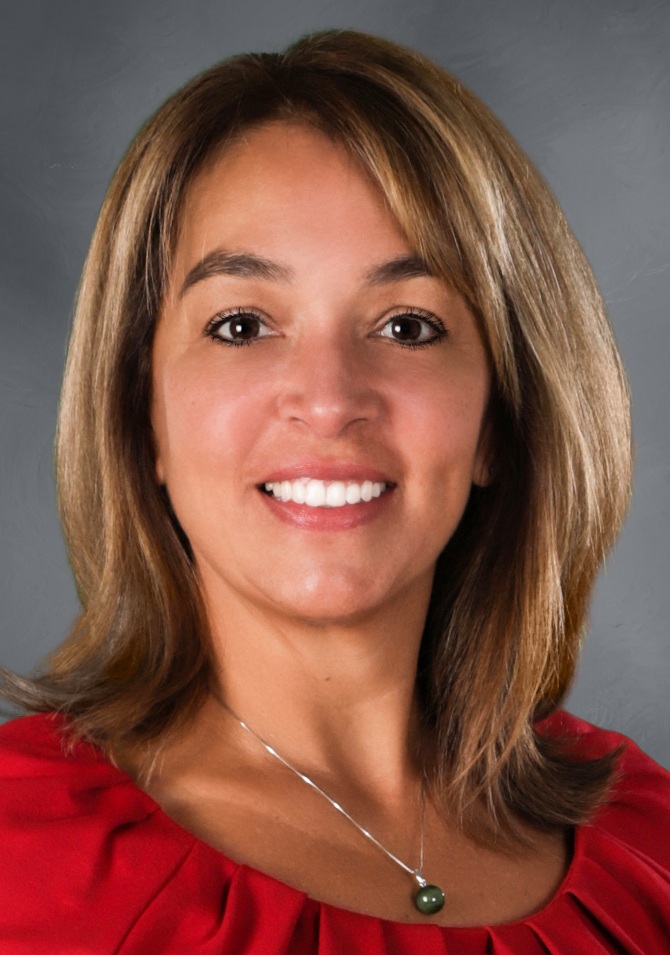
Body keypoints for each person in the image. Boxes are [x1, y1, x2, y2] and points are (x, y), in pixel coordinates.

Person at [0, 28, 668, 953]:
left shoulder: (652, 852)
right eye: (241, 324)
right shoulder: (16, 863)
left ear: (500, 421)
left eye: (407, 324)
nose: (328, 399)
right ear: (141, 416)